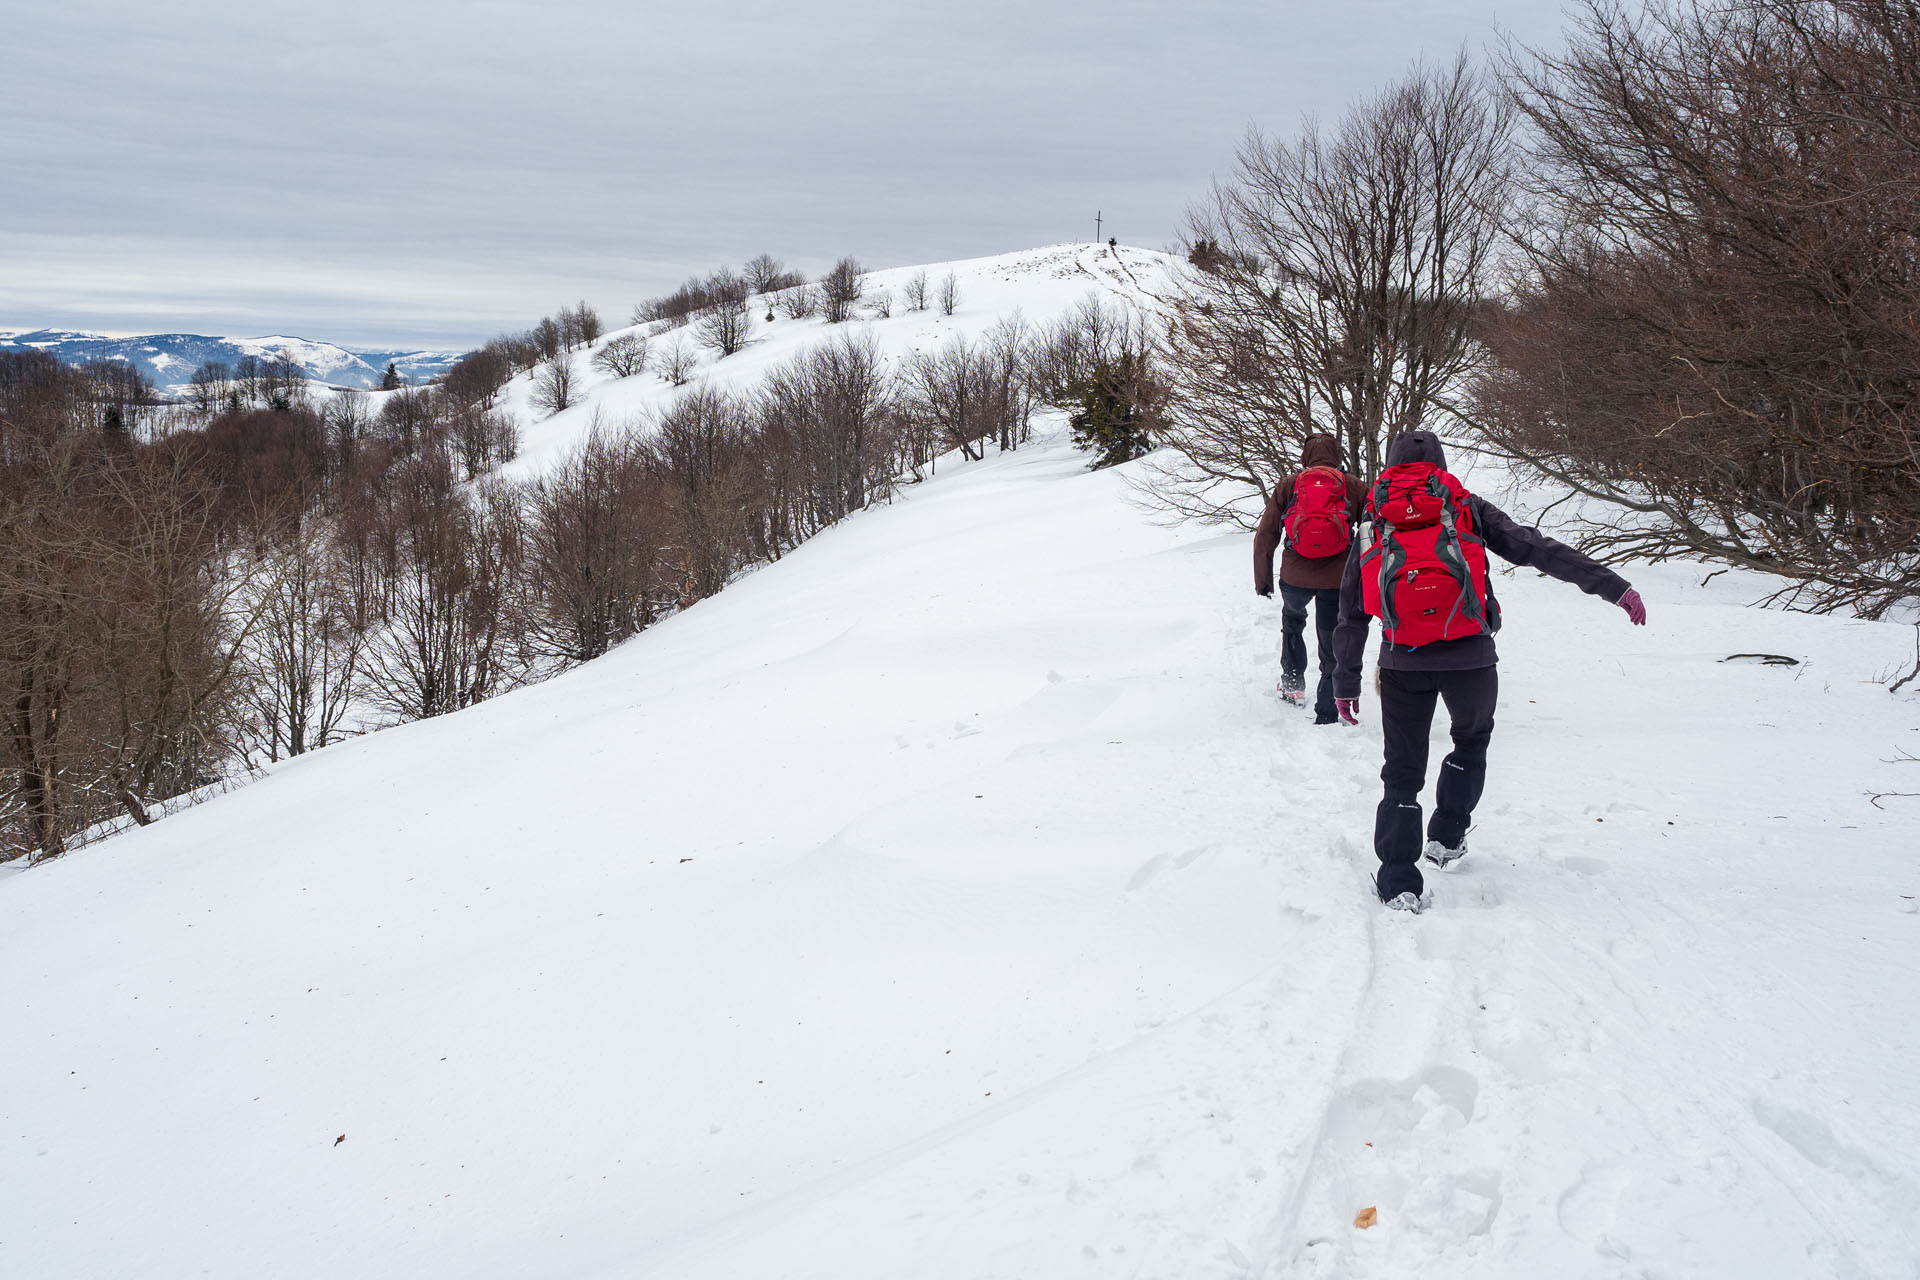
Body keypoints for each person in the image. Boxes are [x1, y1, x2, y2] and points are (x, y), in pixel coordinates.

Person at [1331, 431, 1647, 912]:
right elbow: (1535, 547)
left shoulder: (1376, 515)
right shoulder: (1464, 506)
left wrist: (1345, 680)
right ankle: (1448, 834)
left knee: (1401, 773)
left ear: (1391, 465)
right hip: (1471, 658)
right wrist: (1613, 587)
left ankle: (1398, 880)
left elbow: (1351, 608)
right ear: (1440, 464)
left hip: (1401, 659)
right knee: (1471, 740)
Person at [1254, 433, 1366, 724]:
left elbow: (1267, 534)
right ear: (1336, 455)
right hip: (1337, 577)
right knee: (1331, 637)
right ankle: (1328, 708)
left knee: (1292, 622)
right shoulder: (1352, 485)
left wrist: (1263, 580)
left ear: (1305, 457)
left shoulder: (1289, 485)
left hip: (1295, 575)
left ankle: (1292, 686)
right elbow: (1372, 530)